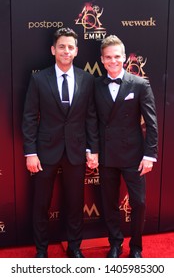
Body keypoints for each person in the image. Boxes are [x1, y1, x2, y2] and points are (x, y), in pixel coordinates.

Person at [22, 27, 99, 258]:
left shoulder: (87, 79)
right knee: (41, 204)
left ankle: (75, 248)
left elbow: (91, 116)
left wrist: (92, 149)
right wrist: (30, 152)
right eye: (62, 46)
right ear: (53, 49)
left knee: (75, 204)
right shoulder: (38, 79)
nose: (66, 51)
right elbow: (28, 117)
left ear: (76, 51)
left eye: (71, 47)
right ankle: (42, 251)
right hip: (45, 151)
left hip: (76, 150)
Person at [95, 35, 158, 258]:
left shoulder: (140, 84)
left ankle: (136, 247)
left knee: (139, 202)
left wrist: (149, 155)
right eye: (108, 57)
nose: (113, 61)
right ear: (102, 59)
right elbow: (92, 121)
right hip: (107, 155)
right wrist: (92, 151)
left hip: (134, 155)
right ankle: (115, 243)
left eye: (117, 57)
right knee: (109, 202)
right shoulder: (96, 85)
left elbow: (151, 122)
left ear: (124, 57)